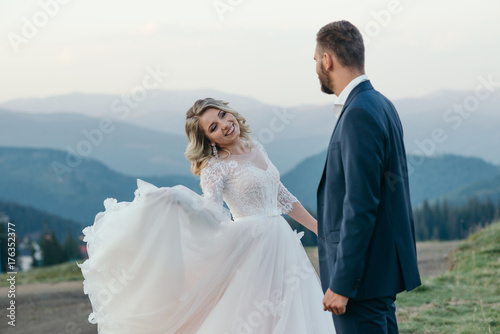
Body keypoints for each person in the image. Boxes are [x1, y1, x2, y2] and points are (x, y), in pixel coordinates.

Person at [79, 98, 336, 333]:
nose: (224, 125)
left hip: (284, 243)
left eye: (223, 115)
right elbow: (211, 214)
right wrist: (179, 200)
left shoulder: (256, 147)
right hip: (254, 249)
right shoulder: (215, 167)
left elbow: (282, 197)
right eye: (213, 127)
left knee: (295, 312)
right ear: (209, 140)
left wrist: (319, 229)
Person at [314, 20, 422, 333]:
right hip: (377, 277)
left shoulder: (359, 112)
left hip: (360, 283)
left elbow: (360, 203)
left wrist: (343, 283)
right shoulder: (380, 103)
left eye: (315, 61)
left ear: (327, 60)